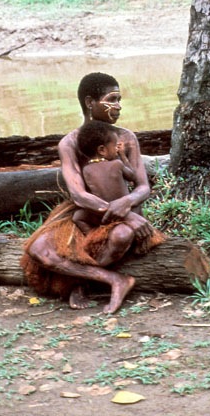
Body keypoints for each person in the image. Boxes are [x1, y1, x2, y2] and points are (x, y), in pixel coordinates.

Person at [21, 72, 164, 314]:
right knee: (39, 250)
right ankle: (112, 279)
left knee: (121, 236)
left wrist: (128, 204)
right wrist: (126, 215)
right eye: (112, 99)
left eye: (119, 100)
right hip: (85, 212)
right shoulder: (70, 143)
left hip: (122, 211)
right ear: (90, 102)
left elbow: (143, 187)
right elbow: (78, 195)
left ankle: (79, 281)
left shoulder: (126, 138)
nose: (118, 106)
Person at [72, 120, 135, 234]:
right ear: (102, 150)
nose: (117, 149)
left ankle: (93, 235)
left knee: (77, 217)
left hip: (103, 216)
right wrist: (122, 156)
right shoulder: (117, 164)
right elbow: (132, 176)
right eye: (115, 146)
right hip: (123, 212)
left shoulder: (86, 170)